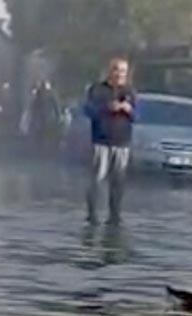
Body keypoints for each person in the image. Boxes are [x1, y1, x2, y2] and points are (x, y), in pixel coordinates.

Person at [83, 57, 136, 225]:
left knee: (118, 180)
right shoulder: (97, 89)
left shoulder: (130, 92)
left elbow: (138, 116)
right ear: (110, 71)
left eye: (123, 72)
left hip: (122, 142)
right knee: (97, 179)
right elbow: (88, 110)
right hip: (101, 141)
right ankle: (92, 214)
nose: (120, 75)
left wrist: (129, 110)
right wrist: (107, 108)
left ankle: (115, 215)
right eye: (117, 70)